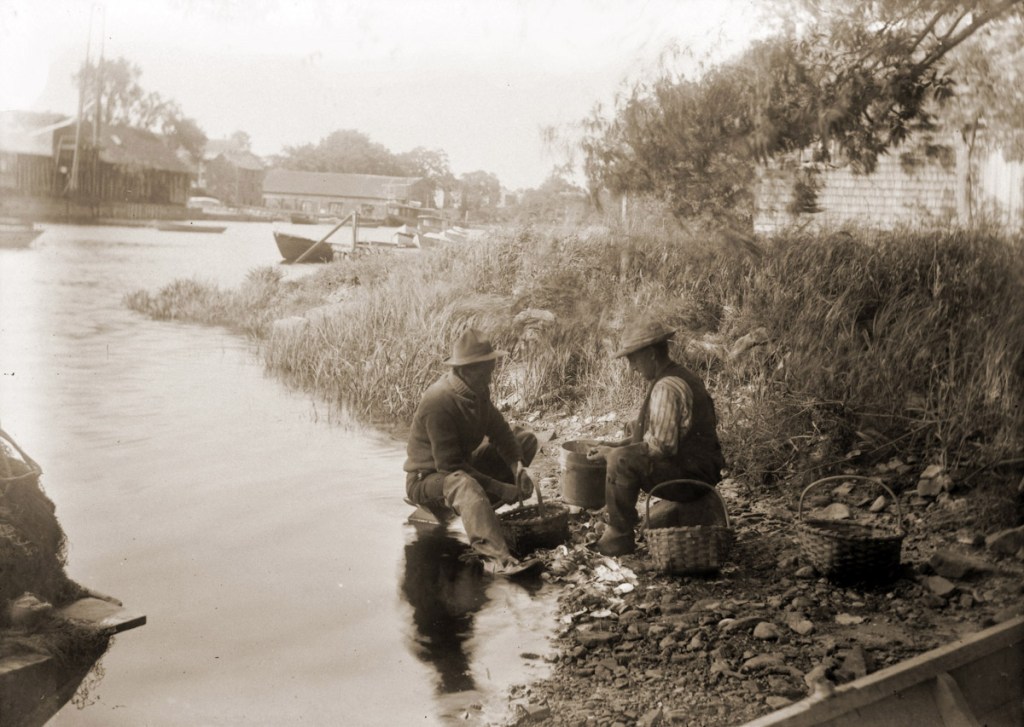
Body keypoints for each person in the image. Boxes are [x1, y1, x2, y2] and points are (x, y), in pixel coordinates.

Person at [404, 328, 541, 576]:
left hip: (460, 471)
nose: (490, 377)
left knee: (525, 440)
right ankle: (497, 560)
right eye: (485, 371)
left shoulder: (478, 390)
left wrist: (517, 468)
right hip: (428, 481)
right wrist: (501, 488)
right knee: (464, 484)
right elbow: (449, 467)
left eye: (491, 369)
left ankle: (477, 512)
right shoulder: (438, 402)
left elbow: (501, 432)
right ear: (465, 370)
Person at [586, 317, 726, 556]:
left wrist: (614, 453)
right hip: (699, 470)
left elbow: (661, 447)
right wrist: (618, 444)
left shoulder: (667, 387)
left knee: (620, 461)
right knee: (620, 453)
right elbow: (662, 436)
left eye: (633, 359)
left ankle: (619, 537)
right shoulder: (679, 376)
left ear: (651, 354)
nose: (632, 367)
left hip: (692, 479)